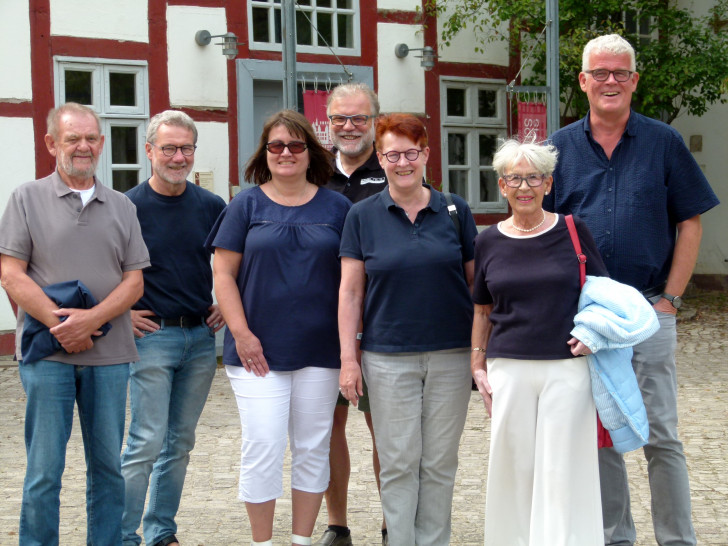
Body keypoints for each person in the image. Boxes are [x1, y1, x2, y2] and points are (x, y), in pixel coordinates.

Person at [544, 34, 719, 546]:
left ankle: (677, 538)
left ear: (635, 80)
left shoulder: (664, 142)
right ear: (583, 82)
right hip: (589, 315)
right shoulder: (560, 148)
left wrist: (672, 299)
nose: (611, 81)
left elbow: (690, 221)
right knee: (600, 435)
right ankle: (615, 537)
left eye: (621, 72)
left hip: (649, 308)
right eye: (600, 73)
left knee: (662, 436)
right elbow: (547, 227)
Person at [0, 102, 150, 545]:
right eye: (72, 139)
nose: (83, 147)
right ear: (51, 143)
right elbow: (11, 273)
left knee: (108, 467)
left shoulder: (122, 205)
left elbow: (134, 281)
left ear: (101, 144)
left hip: (110, 356)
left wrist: (92, 321)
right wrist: (61, 325)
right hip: (47, 355)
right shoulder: (26, 198)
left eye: (91, 139)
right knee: (44, 469)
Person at [207, 110, 352, 546]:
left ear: (311, 153)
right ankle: (263, 542)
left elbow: (352, 281)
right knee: (264, 446)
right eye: (276, 146)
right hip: (257, 353)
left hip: (321, 350)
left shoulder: (338, 208)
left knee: (313, 447)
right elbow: (222, 275)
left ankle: (301, 540)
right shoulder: (245, 205)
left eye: (295, 145)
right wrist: (241, 334)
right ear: (264, 154)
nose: (285, 153)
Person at [338, 112, 477, 546]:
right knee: (398, 461)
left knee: (439, 462)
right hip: (386, 357)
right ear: (380, 159)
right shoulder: (361, 216)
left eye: (411, 152)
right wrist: (349, 359)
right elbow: (350, 294)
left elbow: (478, 288)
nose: (402, 162)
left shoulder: (454, 210)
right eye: (392, 154)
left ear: (426, 155)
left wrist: (480, 352)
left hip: (451, 356)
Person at [471, 139, 609, 545]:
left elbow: (603, 295)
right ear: (502, 186)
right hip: (508, 368)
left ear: (548, 184)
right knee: (512, 468)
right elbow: (482, 309)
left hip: (567, 367)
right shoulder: (488, 241)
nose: (524, 186)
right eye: (515, 177)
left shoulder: (573, 230)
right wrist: (477, 364)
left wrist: (592, 336)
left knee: (562, 469)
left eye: (534, 177)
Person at [120, 110, 227, 546]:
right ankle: (123, 534)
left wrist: (227, 301)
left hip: (201, 339)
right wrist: (119, 314)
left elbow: (232, 263)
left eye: (186, 148)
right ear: (150, 151)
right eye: (169, 148)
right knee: (145, 442)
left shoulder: (211, 206)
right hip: (151, 338)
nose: (178, 157)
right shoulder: (126, 207)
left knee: (179, 443)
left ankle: (161, 531)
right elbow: (103, 268)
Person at [317, 82, 387, 546]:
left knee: (386, 431)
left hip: (382, 323)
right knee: (325, 428)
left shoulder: (398, 169)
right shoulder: (311, 173)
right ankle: (337, 525)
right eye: (340, 118)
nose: (349, 126)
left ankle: (392, 524)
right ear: (327, 122)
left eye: (359, 118)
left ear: (375, 123)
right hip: (321, 324)